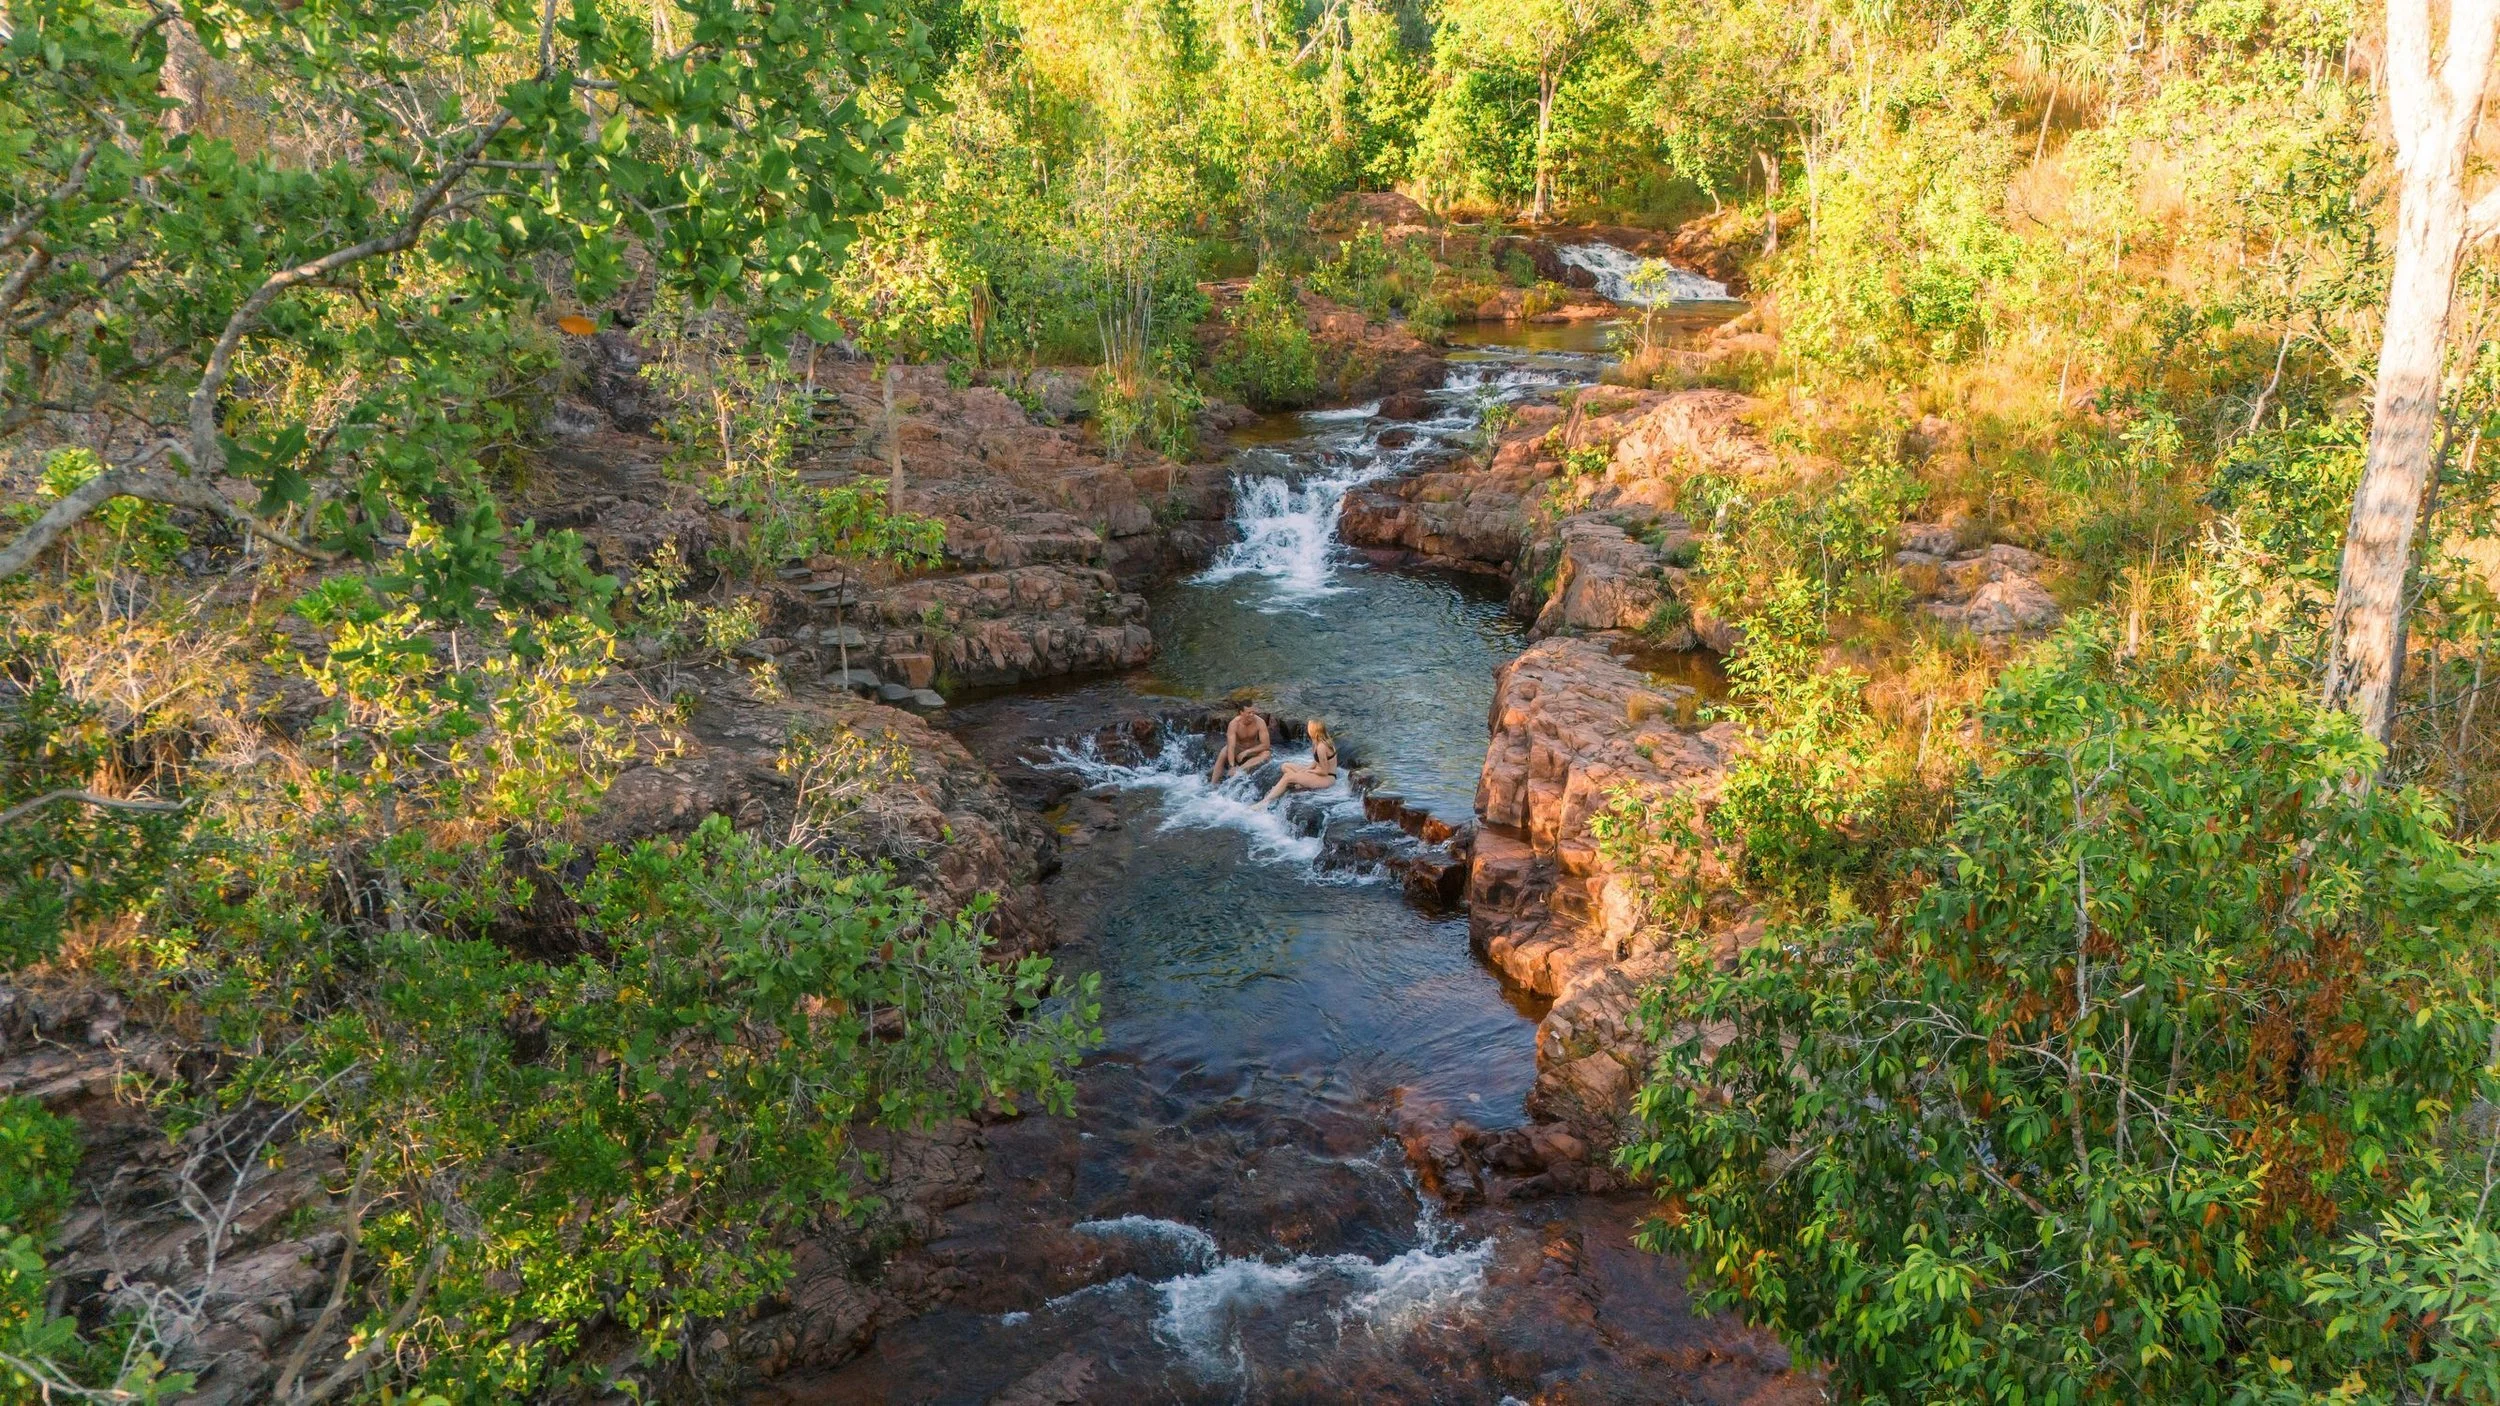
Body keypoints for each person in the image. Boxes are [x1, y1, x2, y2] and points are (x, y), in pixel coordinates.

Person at [1260, 719, 1338, 808]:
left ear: (1313, 730)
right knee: (1285, 766)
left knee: (1287, 777)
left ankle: (1265, 801)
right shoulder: (1316, 742)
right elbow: (1316, 762)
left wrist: (1309, 772)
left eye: (1309, 727)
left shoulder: (1322, 747)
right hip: (1319, 772)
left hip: (1327, 778)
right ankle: (1299, 783)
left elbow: (1324, 771)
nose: (1307, 729)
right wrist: (1306, 769)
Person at [1208, 703, 1272, 783]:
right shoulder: (1234, 724)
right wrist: (1232, 766)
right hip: (1238, 749)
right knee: (1224, 752)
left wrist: (1247, 752)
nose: (1252, 715)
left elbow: (1266, 745)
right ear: (1241, 712)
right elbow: (1231, 746)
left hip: (1252, 750)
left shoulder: (1260, 722)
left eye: (1253, 712)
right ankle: (1213, 783)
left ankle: (1240, 770)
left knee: (1267, 754)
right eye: (1249, 713)